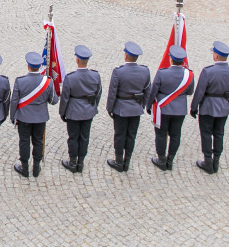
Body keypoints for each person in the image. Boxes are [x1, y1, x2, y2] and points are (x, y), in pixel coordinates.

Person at [189, 41, 229, 174]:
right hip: (224, 107)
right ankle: (216, 160)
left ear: (216, 56)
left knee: (206, 134)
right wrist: (228, 104)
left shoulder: (208, 71)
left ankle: (208, 160)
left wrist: (194, 107)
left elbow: (200, 91)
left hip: (207, 107)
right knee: (219, 133)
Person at [146, 46, 194, 171]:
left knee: (161, 134)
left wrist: (149, 105)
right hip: (180, 109)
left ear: (171, 59)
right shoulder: (189, 74)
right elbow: (190, 91)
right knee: (175, 134)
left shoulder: (162, 73)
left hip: (163, 109)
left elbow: (153, 91)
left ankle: (161, 159)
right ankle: (170, 160)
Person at [105, 42, 150, 173]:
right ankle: (127, 160)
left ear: (126, 56)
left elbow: (112, 92)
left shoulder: (119, 72)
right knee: (131, 135)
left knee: (119, 135)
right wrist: (141, 105)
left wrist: (110, 108)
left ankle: (119, 161)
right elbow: (148, 90)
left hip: (121, 108)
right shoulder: (145, 71)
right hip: (136, 109)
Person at [10, 52, 55, 178]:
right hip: (40, 118)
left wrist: (12, 117)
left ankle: (24, 167)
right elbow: (54, 100)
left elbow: (14, 101)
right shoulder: (48, 82)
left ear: (28, 66)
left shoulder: (20, 81)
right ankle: (36, 166)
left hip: (24, 117)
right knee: (38, 141)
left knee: (24, 141)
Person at [58, 45, 101, 174]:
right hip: (88, 111)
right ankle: (80, 162)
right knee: (84, 137)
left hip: (73, 111)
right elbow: (98, 93)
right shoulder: (95, 76)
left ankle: (72, 161)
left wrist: (62, 112)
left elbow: (65, 98)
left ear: (77, 60)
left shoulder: (70, 78)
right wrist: (93, 106)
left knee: (73, 137)